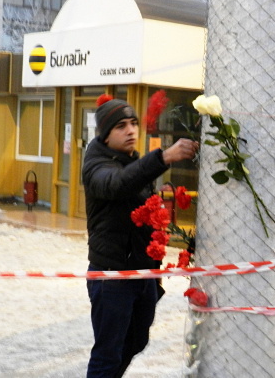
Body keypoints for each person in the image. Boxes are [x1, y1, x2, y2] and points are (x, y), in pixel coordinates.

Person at [82, 94, 198, 377]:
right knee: (108, 353)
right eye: (121, 125)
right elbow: (118, 185)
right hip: (112, 276)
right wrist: (164, 157)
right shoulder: (97, 165)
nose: (131, 130)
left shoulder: (131, 160)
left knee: (136, 341)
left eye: (133, 123)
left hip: (142, 273)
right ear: (106, 134)